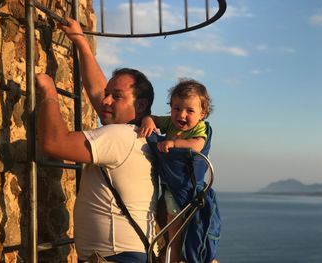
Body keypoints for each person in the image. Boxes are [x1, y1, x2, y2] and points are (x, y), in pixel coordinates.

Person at [35, 17, 158, 263]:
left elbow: (54, 143)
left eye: (117, 96)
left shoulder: (121, 136)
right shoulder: (138, 136)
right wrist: (80, 41)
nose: (106, 101)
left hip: (117, 257)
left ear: (141, 105)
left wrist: (49, 93)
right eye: (107, 94)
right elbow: (96, 91)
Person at [139, 79, 213, 262]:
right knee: (164, 224)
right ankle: (168, 254)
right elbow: (153, 119)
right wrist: (148, 121)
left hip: (181, 187)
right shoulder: (171, 123)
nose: (182, 115)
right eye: (176, 108)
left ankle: (173, 258)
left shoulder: (200, 128)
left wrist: (174, 143)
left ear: (202, 113)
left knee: (174, 229)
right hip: (167, 185)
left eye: (190, 110)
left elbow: (197, 145)